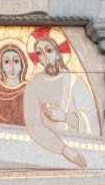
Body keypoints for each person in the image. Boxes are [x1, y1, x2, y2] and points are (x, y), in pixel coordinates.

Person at [22, 29, 98, 167]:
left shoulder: (75, 82)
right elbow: (33, 126)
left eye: (49, 50)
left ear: (58, 53)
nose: (44, 56)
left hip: (77, 150)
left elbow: (93, 123)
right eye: (39, 53)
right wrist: (63, 149)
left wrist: (64, 117)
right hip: (45, 151)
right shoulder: (33, 85)